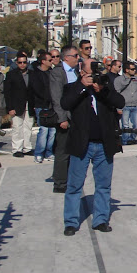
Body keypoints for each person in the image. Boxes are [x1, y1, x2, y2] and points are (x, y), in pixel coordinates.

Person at [62, 58, 126, 236]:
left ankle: (100, 220)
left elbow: (120, 102)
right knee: (74, 185)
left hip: (103, 144)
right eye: (92, 70)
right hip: (82, 144)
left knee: (103, 185)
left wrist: (103, 90)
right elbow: (65, 103)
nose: (95, 73)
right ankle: (71, 222)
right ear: (82, 71)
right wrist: (82, 86)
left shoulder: (104, 86)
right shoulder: (73, 87)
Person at [50, 45, 80, 193]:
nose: (78, 58)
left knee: (74, 150)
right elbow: (56, 97)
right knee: (63, 150)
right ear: (67, 58)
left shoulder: (76, 72)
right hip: (65, 117)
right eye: (75, 55)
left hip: (76, 117)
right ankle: (60, 183)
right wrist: (62, 118)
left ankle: (71, 178)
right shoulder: (58, 73)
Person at [5, 52, 35, 158]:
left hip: (29, 104)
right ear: (17, 63)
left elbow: (33, 90)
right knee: (17, 127)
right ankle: (17, 148)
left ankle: (27, 147)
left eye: (24, 62)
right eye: (20, 62)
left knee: (28, 126)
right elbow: (7, 93)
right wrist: (10, 108)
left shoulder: (32, 74)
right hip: (17, 105)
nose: (22, 64)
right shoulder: (11, 75)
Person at [30, 51, 56, 163]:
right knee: (44, 130)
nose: (52, 62)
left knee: (53, 130)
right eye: (50, 60)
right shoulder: (35, 74)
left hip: (52, 106)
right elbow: (36, 90)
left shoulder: (52, 73)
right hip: (41, 105)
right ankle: (39, 153)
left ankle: (49, 152)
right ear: (43, 61)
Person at [115, 62, 137, 145]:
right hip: (124, 106)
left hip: (135, 106)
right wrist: (118, 108)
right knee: (125, 126)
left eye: (134, 69)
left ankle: (132, 138)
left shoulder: (136, 79)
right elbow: (116, 94)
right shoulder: (119, 80)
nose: (134, 71)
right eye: (132, 69)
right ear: (127, 70)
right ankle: (125, 141)